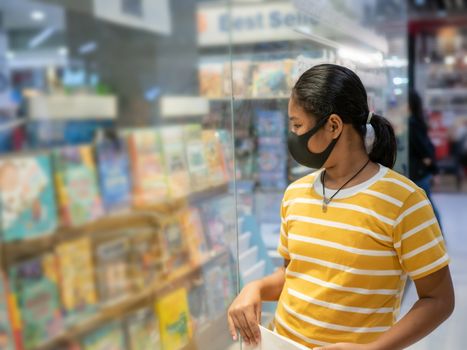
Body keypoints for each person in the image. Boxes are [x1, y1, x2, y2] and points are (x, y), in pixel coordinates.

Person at [227, 64, 454, 349]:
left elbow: (439, 299)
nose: (292, 135)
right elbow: (294, 273)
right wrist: (255, 288)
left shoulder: (404, 201)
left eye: (297, 125)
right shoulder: (295, 194)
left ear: (333, 126)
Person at [408, 90, 441, 225]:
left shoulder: (412, 123)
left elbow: (424, 149)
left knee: (427, 207)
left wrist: (433, 168)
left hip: (419, 172)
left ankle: (438, 236)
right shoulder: (416, 120)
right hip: (420, 171)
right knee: (427, 205)